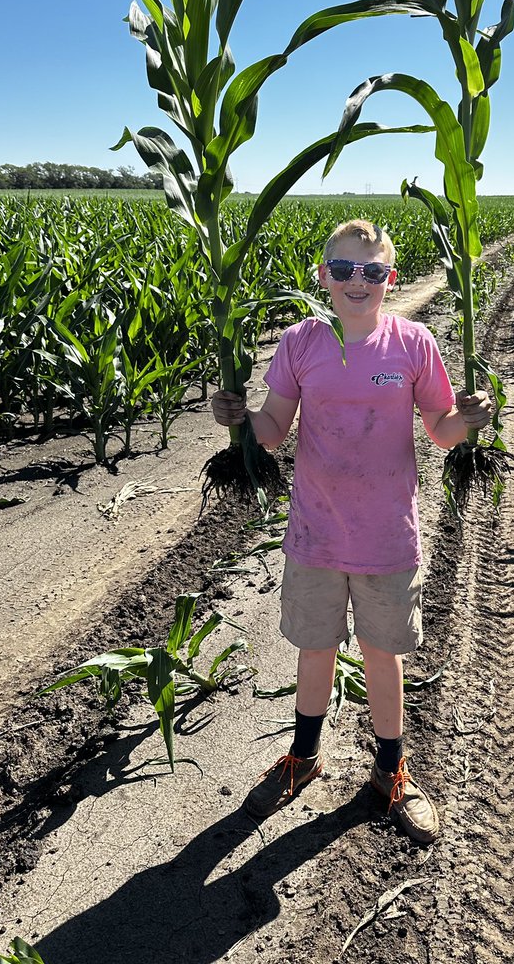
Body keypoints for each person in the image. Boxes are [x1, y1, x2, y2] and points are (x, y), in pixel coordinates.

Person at [211, 219, 491, 843]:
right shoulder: (302, 342)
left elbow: (441, 429)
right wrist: (238, 418)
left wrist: (469, 421)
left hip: (388, 533)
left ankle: (391, 772)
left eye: (371, 272)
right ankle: (304, 757)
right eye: (343, 270)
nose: (356, 282)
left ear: (390, 278)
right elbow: (274, 429)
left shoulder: (413, 344)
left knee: (381, 654)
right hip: (315, 530)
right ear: (323, 277)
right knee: (316, 649)